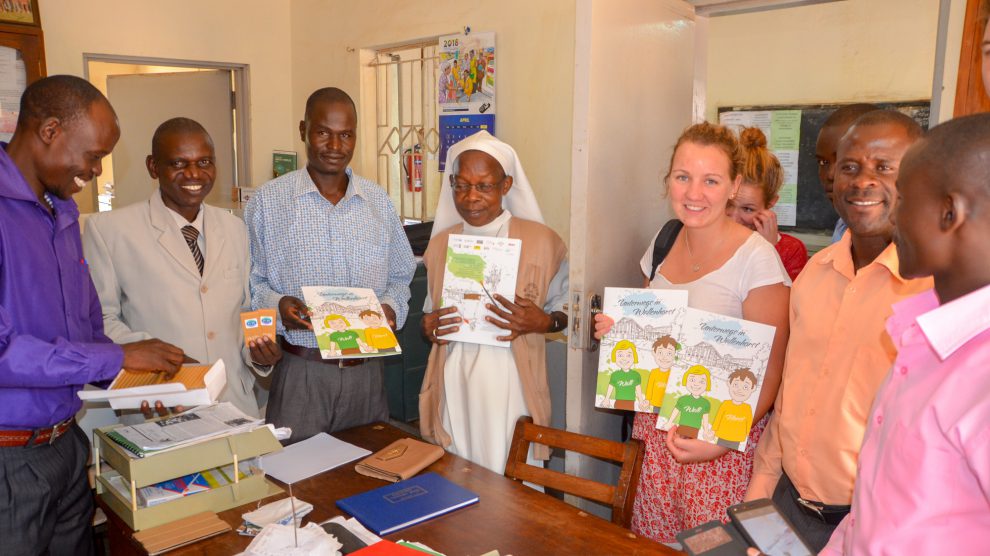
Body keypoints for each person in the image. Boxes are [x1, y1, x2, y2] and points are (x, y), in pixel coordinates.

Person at [0, 75, 183, 555]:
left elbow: (84, 330)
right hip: (8, 459)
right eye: (94, 155)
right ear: (49, 130)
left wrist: (130, 385)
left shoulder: (61, 211)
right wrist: (118, 358)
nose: (96, 172)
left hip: (65, 444)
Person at [594, 121, 791, 543]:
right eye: (683, 177)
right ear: (669, 180)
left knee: (712, 551)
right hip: (655, 441)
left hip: (720, 450)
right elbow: (652, 338)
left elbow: (771, 372)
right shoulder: (663, 243)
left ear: (734, 185)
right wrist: (618, 333)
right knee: (652, 548)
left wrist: (719, 441)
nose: (694, 193)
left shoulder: (757, 260)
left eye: (711, 180)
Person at [746, 110, 932, 552]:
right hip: (787, 508)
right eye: (849, 167)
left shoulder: (934, 293)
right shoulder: (815, 274)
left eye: (885, 167)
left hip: (873, 528)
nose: (862, 181)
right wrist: (760, 491)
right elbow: (791, 397)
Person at [822, 112, 990, 555]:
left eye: (906, 199)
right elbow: (876, 522)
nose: (892, 213)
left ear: (949, 214)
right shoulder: (923, 341)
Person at [246, 87, 415, 443]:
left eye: (346, 135)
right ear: (303, 129)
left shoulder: (378, 202)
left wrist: (391, 307)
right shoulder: (268, 202)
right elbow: (250, 281)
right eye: (323, 132)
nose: (335, 146)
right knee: (298, 483)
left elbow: (401, 275)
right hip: (301, 372)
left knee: (368, 475)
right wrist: (277, 304)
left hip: (366, 375)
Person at [84, 117, 281, 418]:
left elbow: (243, 308)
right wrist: (155, 356)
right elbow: (101, 319)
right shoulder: (110, 231)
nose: (193, 173)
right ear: (153, 166)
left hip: (235, 403)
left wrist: (258, 354)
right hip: (161, 401)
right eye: (178, 163)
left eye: (204, 162)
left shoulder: (234, 228)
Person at [419, 130, 568, 474]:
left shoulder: (543, 242)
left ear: (506, 185)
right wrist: (428, 327)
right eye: (461, 185)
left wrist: (544, 322)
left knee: (512, 483)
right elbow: (430, 315)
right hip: (455, 381)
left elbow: (568, 313)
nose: (471, 197)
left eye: (484, 186)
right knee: (458, 479)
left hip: (512, 384)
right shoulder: (441, 244)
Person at [726, 127, 807, 281]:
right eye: (728, 204)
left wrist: (768, 250)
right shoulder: (707, 238)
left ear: (770, 203)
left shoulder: (792, 250)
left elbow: (785, 303)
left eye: (748, 209)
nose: (734, 219)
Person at [814, 104, 878, 243]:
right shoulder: (843, 227)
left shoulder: (912, 243)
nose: (830, 175)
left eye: (846, 163)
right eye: (823, 163)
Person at [707, 368, 757, 451]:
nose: (739, 390)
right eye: (736, 385)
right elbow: (718, 418)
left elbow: (749, 422)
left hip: (736, 438)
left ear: (753, 389)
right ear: (729, 383)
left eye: (745, 387)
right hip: (722, 435)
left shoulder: (747, 408)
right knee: (717, 450)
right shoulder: (725, 404)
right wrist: (713, 430)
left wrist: (748, 434)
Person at [603, 340, 649, 411]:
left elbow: (638, 389)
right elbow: (610, 387)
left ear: (634, 357)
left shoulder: (636, 375)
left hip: (630, 404)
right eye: (620, 355)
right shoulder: (615, 375)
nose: (624, 359)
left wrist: (641, 401)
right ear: (615, 357)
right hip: (618, 402)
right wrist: (606, 399)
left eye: (628, 355)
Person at [644, 335, 679, 412]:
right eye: (660, 352)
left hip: (668, 405)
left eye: (669, 353)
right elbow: (650, 387)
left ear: (675, 355)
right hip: (655, 404)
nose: (664, 357)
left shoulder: (673, 374)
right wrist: (647, 400)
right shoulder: (654, 372)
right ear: (654, 353)